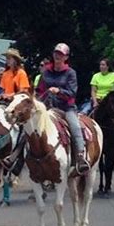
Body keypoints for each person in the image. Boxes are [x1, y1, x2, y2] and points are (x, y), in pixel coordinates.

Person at [36, 42, 89, 175]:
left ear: (66, 57)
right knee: (31, 124)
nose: (57, 56)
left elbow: (72, 92)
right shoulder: (46, 71)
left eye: (61, 54)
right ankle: (17, 156)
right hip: (47, 107)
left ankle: (81, 156)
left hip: (66, 108)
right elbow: (40, 90)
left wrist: (58, 91)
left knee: (75, 126)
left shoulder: (70, 73)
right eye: (56, 53)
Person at [90, 58, 114, 145]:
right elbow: (93, 90)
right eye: (100, 65)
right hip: (98, 100)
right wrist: (95, 101)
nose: (101, 66)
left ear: (108, 66)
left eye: (103, 65)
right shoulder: (96, 76)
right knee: (84, 114)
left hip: (111, 101)